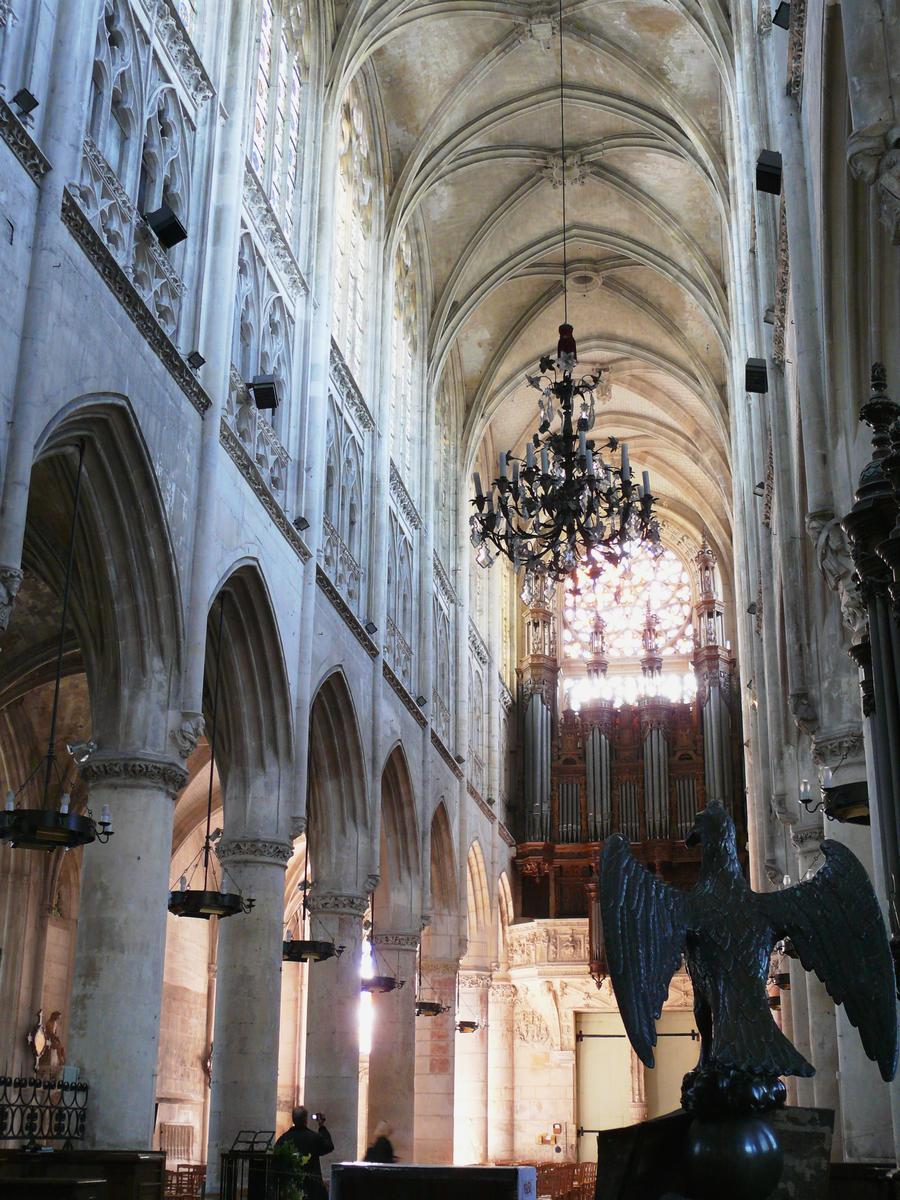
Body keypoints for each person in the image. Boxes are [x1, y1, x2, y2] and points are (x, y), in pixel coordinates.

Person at [274, 1106, 334, 1199]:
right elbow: (329, 1146)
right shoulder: (314, 1138)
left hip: (291, 1189)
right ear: (306, 1120)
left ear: (293, 1119)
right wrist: (321, 1126)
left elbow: (276, 1161)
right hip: (312, 1189)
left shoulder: (283, 1139)